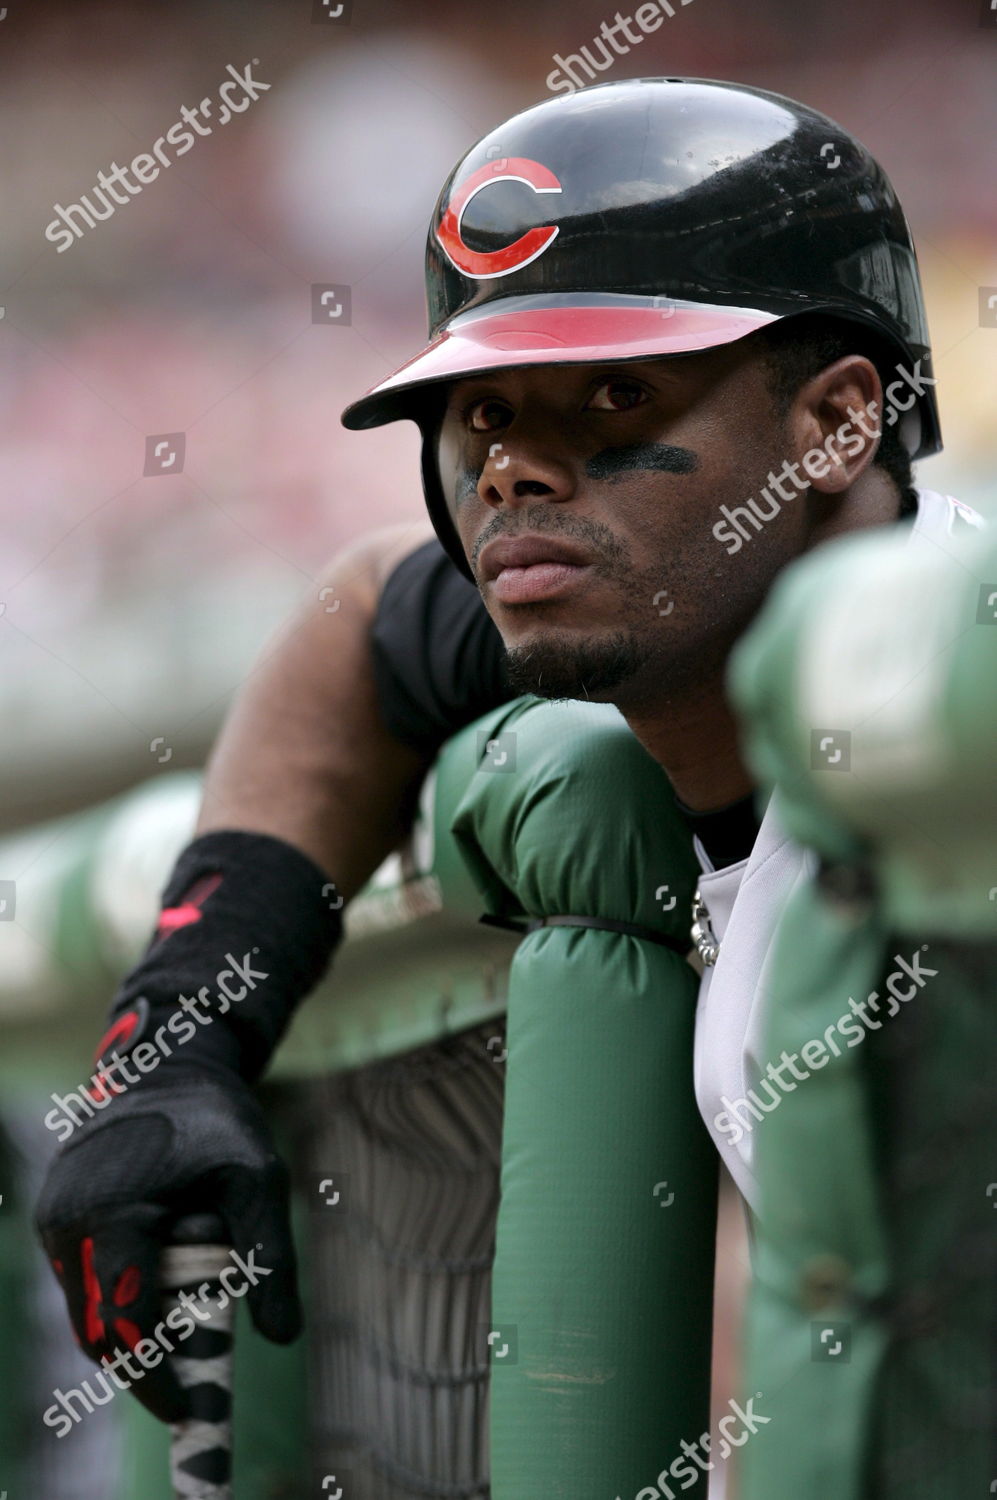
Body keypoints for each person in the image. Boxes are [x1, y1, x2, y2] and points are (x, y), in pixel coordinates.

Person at [35, 76, 984, 1428]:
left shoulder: (954, 710)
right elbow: (363, 613)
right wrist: (174, 1034)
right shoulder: (665, 581)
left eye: (609, 393)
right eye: (482, 414)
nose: (514, 473)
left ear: (831, 423)